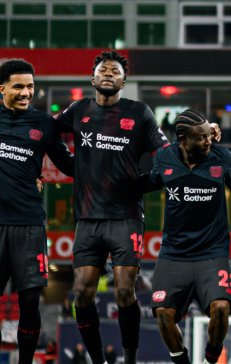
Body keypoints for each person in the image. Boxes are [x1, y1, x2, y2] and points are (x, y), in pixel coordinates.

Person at [141, 112, 231, 364]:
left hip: (212, 253)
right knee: (163, 314)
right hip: (174, 254)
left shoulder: (221, 156)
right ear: (182, 140)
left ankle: (210, 360)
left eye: (209, 135)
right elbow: (148, 182)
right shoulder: (165, 157)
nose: (208, 142)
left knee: (220, 309)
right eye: (201, 138)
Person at [56, 51, 165, 364]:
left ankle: (129, 358)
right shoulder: (78, 110)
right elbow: (47, 135)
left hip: (126, 218)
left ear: (123, 80)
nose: (108, 74)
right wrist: (71, 166)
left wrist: (144, 183)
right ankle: (98, 360)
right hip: (87, 218)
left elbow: (165, 156)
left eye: (115, 71)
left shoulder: (139, 112)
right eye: (103, 70)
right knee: (82, 293)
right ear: (93, 78)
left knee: (123, 293)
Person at [0, 60, 74, 364]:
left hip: (29, 223)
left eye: (30, 86)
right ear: (2, 88)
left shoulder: (45, 124)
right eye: (18, 86)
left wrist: (107, 164)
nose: (26, 92)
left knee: (30, 301)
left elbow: (69, 165)